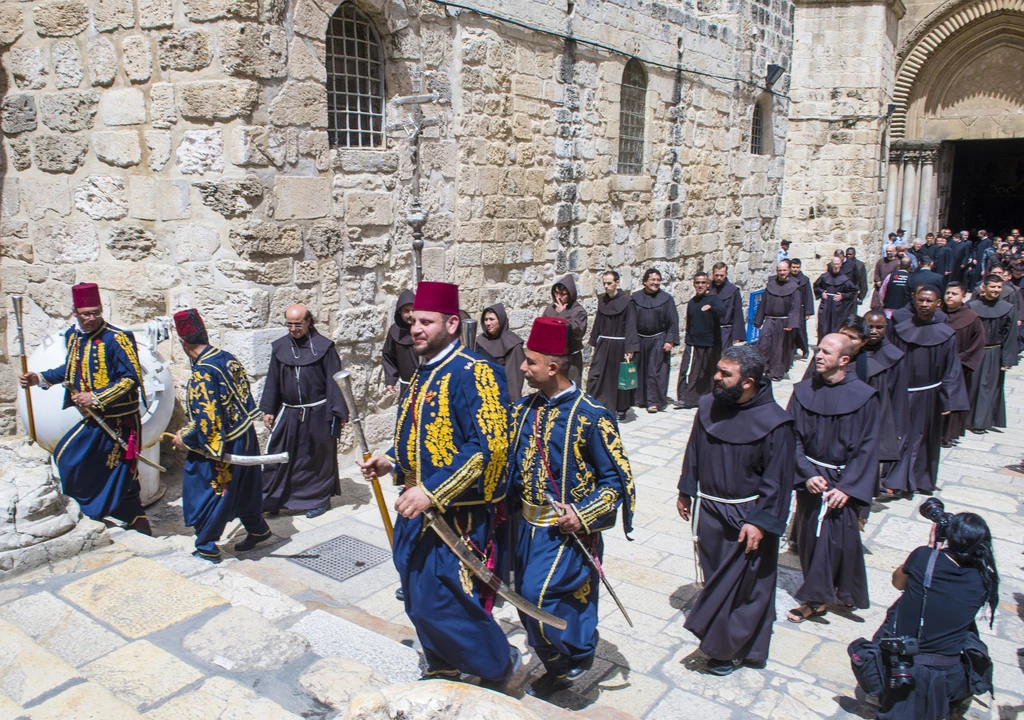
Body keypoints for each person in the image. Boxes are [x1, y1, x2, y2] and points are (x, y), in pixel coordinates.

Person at [357, 282, 517, 687]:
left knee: (444, 602)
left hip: (456, 518)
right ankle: (442, 663)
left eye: (427, 322)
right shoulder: (420, 375)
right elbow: (411, 439)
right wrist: (388, 462)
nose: (417, 329)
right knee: (414, 594)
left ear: (451, 323)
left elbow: (489, 449)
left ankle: (498, 664)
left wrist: (433, 491)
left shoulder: (476, 373)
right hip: (414, 511)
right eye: (414, 322)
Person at [509, 316, 635, 698]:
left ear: (552, 366)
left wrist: (582, 514)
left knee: (536, 594)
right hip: (525, 530)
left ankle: (578, 651)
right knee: (522, 601)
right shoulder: (521, 410)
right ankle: (557, 667)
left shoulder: (593, 416)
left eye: (530, 361)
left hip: (566, 534)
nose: (522, 367)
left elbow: (618, 481)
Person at [677, 345, 794, 674]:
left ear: (749, 382)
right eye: (718, 370)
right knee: (716, 580)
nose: (716, 377)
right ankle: (719, 638)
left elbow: (778, 480)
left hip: (748, 518)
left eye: (725, 374)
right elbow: (694, 450)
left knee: (747, 588)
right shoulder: (708, 407)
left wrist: (760, 522)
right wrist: (687, 490)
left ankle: (727, 650)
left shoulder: (775, 424)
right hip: (712, 512)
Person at [18, 283, 151, 535]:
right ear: (75, 313)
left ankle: (123, 517)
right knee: (96, 466)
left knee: (104, 465)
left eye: (96, 312)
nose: (91, 318)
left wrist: (97, 397)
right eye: (86, 313)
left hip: (118, 420)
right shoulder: (74, 337)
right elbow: (69, 370)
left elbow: (130, 379)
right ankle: (129, 517)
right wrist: (40, 378)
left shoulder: (117, 338)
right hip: (93, 418)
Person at [786, 334, 878, 622]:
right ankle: (817, 599)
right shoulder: (803, 391)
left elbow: (868, 446)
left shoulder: (864, 397)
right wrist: (806, 474)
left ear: (844, 360)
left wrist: (849, 487)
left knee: (842, 538)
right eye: (818, 350)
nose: (819, 355)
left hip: (843, 479)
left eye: (826, 351)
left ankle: (843, 592)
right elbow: (791, 437)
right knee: (812, 538)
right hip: (811, 478)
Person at [872, 513, 998, 720]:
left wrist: (930, 549)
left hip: (904, 665)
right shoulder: (985, 579)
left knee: (898, 610)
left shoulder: (923, 557)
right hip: (949, 674)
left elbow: (897, 583)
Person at [170, 309, 271, 561]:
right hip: (246, 435)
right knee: (246, 486)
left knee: (212, 490)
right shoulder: (227, 357)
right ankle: (258, 529)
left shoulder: (203, 372)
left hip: (225, 443)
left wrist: (184, 437)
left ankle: (206, 544)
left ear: (183, 342)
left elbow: (207, 423)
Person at [260, 304, 348, 519]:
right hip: (291, 413)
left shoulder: (324, 347)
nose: (292, 329)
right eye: (289, 324)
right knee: (281, 456)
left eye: (297, 324)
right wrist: (269, 409)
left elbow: (334, 382)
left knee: (317, 459)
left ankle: (319, 499)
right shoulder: (280, 347)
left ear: (309, 321)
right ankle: (274, 499)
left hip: (318, 412)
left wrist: (337, 413)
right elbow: (273, 379)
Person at [888, 286, 969, 494]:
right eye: (921, 300)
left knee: (923, 438)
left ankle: (920, 480)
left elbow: (952, 368)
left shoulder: (946, 335)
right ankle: (895, 482)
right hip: (902, 393)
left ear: (937, 304)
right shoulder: (899, 328)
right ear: (915, 301)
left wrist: (949, 399)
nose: (924, 304)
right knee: (901, 436)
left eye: (929, 301)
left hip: (930, 395)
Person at [861, 311, 911, 501]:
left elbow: (898, 393)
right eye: (870, 326)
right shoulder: (854, 349)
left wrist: (897, 427)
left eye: (879, 327)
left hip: (880, 411)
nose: (873, 331)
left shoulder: (895, 356)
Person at [966, 275, 1018, 433]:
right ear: (984, 287)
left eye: (999, 287)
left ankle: (980, 423)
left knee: (987, 388)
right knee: (971, 385)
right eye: (993, 287)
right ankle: (965, 418)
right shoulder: (971, 306)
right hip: (974, 352)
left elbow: (1010, 335)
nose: (996, 290)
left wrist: (1007, 359)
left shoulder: (1008, 308)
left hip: (994, 352)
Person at [587, 270, 639, 421]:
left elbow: (631, 326)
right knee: (596, 374)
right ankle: (597, 403)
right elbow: (598, 322)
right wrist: (593, 340)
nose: (606, 286)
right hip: (603, 343)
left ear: (617, 282)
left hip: (620, 344)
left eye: (609, 283)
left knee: (619, 377)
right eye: (604, 283)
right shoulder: (602, 301)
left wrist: (630, 348)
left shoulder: (627, 302)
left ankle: (621, 408)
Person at [632, 268, 680, 413]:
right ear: (645, 281)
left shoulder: (666, 299)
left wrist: (670, 340)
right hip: (640, 339)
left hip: (659, 339)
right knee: (640, 369)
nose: (656, 283)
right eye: (653, 280)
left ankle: (654, 401)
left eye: (658, 280)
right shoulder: (635, 298)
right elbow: (630, 322)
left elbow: (673, 321)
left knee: (655, 371)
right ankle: (639, 399)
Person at [941, 284, 984, 448]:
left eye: (954, 293)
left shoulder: (972, 317)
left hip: (960, 367)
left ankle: (948, 434)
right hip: (938, 367)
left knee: (954, 401)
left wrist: (960, 359)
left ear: (962, 296)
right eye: (948, 293)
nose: (950, 296)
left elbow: (978, 343)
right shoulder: (937, 314)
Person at [676, 272, 725, 408]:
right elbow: (689, 323)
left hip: (711, 343)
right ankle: (686, 398)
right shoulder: (692, 302)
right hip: (694, 343)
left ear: (707, 284)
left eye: (703, 283)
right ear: (694, 284)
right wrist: (688, 341)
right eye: (697, 283)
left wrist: (712, 309)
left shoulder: (713, 299)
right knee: (689, 371)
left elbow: (722, 311)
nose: (700, 285)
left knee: (708, 374)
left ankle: (707, 398)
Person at [754, 260, 802, 381]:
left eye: (784, 270)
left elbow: (795, 307)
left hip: (784, 321)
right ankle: (763, 369)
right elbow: (763, 303)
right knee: (764, 344)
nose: (782, 273)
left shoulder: (794, 287)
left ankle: (776, 372)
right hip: (770, 319)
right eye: (780, 270)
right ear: (777, 271)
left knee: (779, 348)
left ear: (789, 271)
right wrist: (758, 321)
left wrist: (791, 323)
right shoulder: (771, 285)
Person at [543, 275, 588, 385]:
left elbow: (578, 332)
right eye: (556, 293)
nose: (558, 297)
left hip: (571, 359)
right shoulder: (550, 309)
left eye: (562, 294)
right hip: (551, 357)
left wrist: (563, 314)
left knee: (569, 388)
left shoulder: (578, 311)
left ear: (570, 294)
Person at [478, 304, 527, 401]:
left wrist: (512, 404)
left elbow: (514, 379)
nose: (488, 323)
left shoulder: (512, 344)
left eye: (491, 319)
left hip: (501, 396)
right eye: (485, 319)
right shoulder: (480, 341)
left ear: (500, 320)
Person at [382, 290, 417, 398]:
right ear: (400, 313)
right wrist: (390, 380)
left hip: (428, 384)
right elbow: (388, 356)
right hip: (406, 387)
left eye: (413, 310)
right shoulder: (394, 332)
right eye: (406, 311)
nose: (410, 314)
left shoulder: (425, 330)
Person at [814, 257, 858, 340]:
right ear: (831, 265)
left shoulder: (845, 279)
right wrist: (821, 292)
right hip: (826, 305)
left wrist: (843, 296)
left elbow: (853, 291)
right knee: (823, 326)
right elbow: (816, 286)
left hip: (837, 307)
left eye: (838, 264)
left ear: (841, 265)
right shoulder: (824, 277)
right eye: (834, 264)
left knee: (836, 327)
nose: (836, 266)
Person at [709, 262, 746, 346]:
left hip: (726, 332)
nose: (719, 278)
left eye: (721, 275)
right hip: (709, 332)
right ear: (713, 274)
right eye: (716, 275)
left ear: (726, 274)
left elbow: (738, 314)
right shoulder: (708, 289)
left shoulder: (733, 291)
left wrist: (737, 337)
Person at [789, 259, 815, 358]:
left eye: (797, 267)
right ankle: (792, 349)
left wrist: (808, 312)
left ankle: (805, 349)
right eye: (793, 267)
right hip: (790, 309)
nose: (795, 270)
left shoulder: (804, 280)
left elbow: (808, 296)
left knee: (801, 330)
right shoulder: (787, 278)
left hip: (800, 309)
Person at [871, 245, 899, 310]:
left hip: (889, 288)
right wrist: (877, 280)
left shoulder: (897, 263)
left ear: (895, 251)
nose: (889, 253)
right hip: (879, 287)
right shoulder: (881, 261)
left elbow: (896, 275)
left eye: (890, 251)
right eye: (887, 251)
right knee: (875, 306)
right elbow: (876, 272)